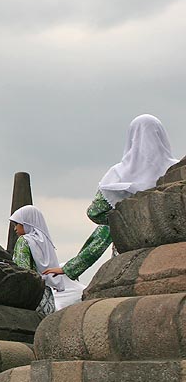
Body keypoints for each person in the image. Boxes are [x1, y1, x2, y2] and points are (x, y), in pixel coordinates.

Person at [44, 114, 178, 281]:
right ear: (162, 135)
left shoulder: (119, 174)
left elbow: (95, 213)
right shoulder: (175, 170)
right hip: (174, 253)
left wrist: (72, 267)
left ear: (131, 138)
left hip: (132, 259)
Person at [9, 205, 84, 314]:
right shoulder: (45, 243)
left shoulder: (23, 241)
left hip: (30, 296)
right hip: (47, 295)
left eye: (17, 224)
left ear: (27, 223)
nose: (15, 228)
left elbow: (21, 270)